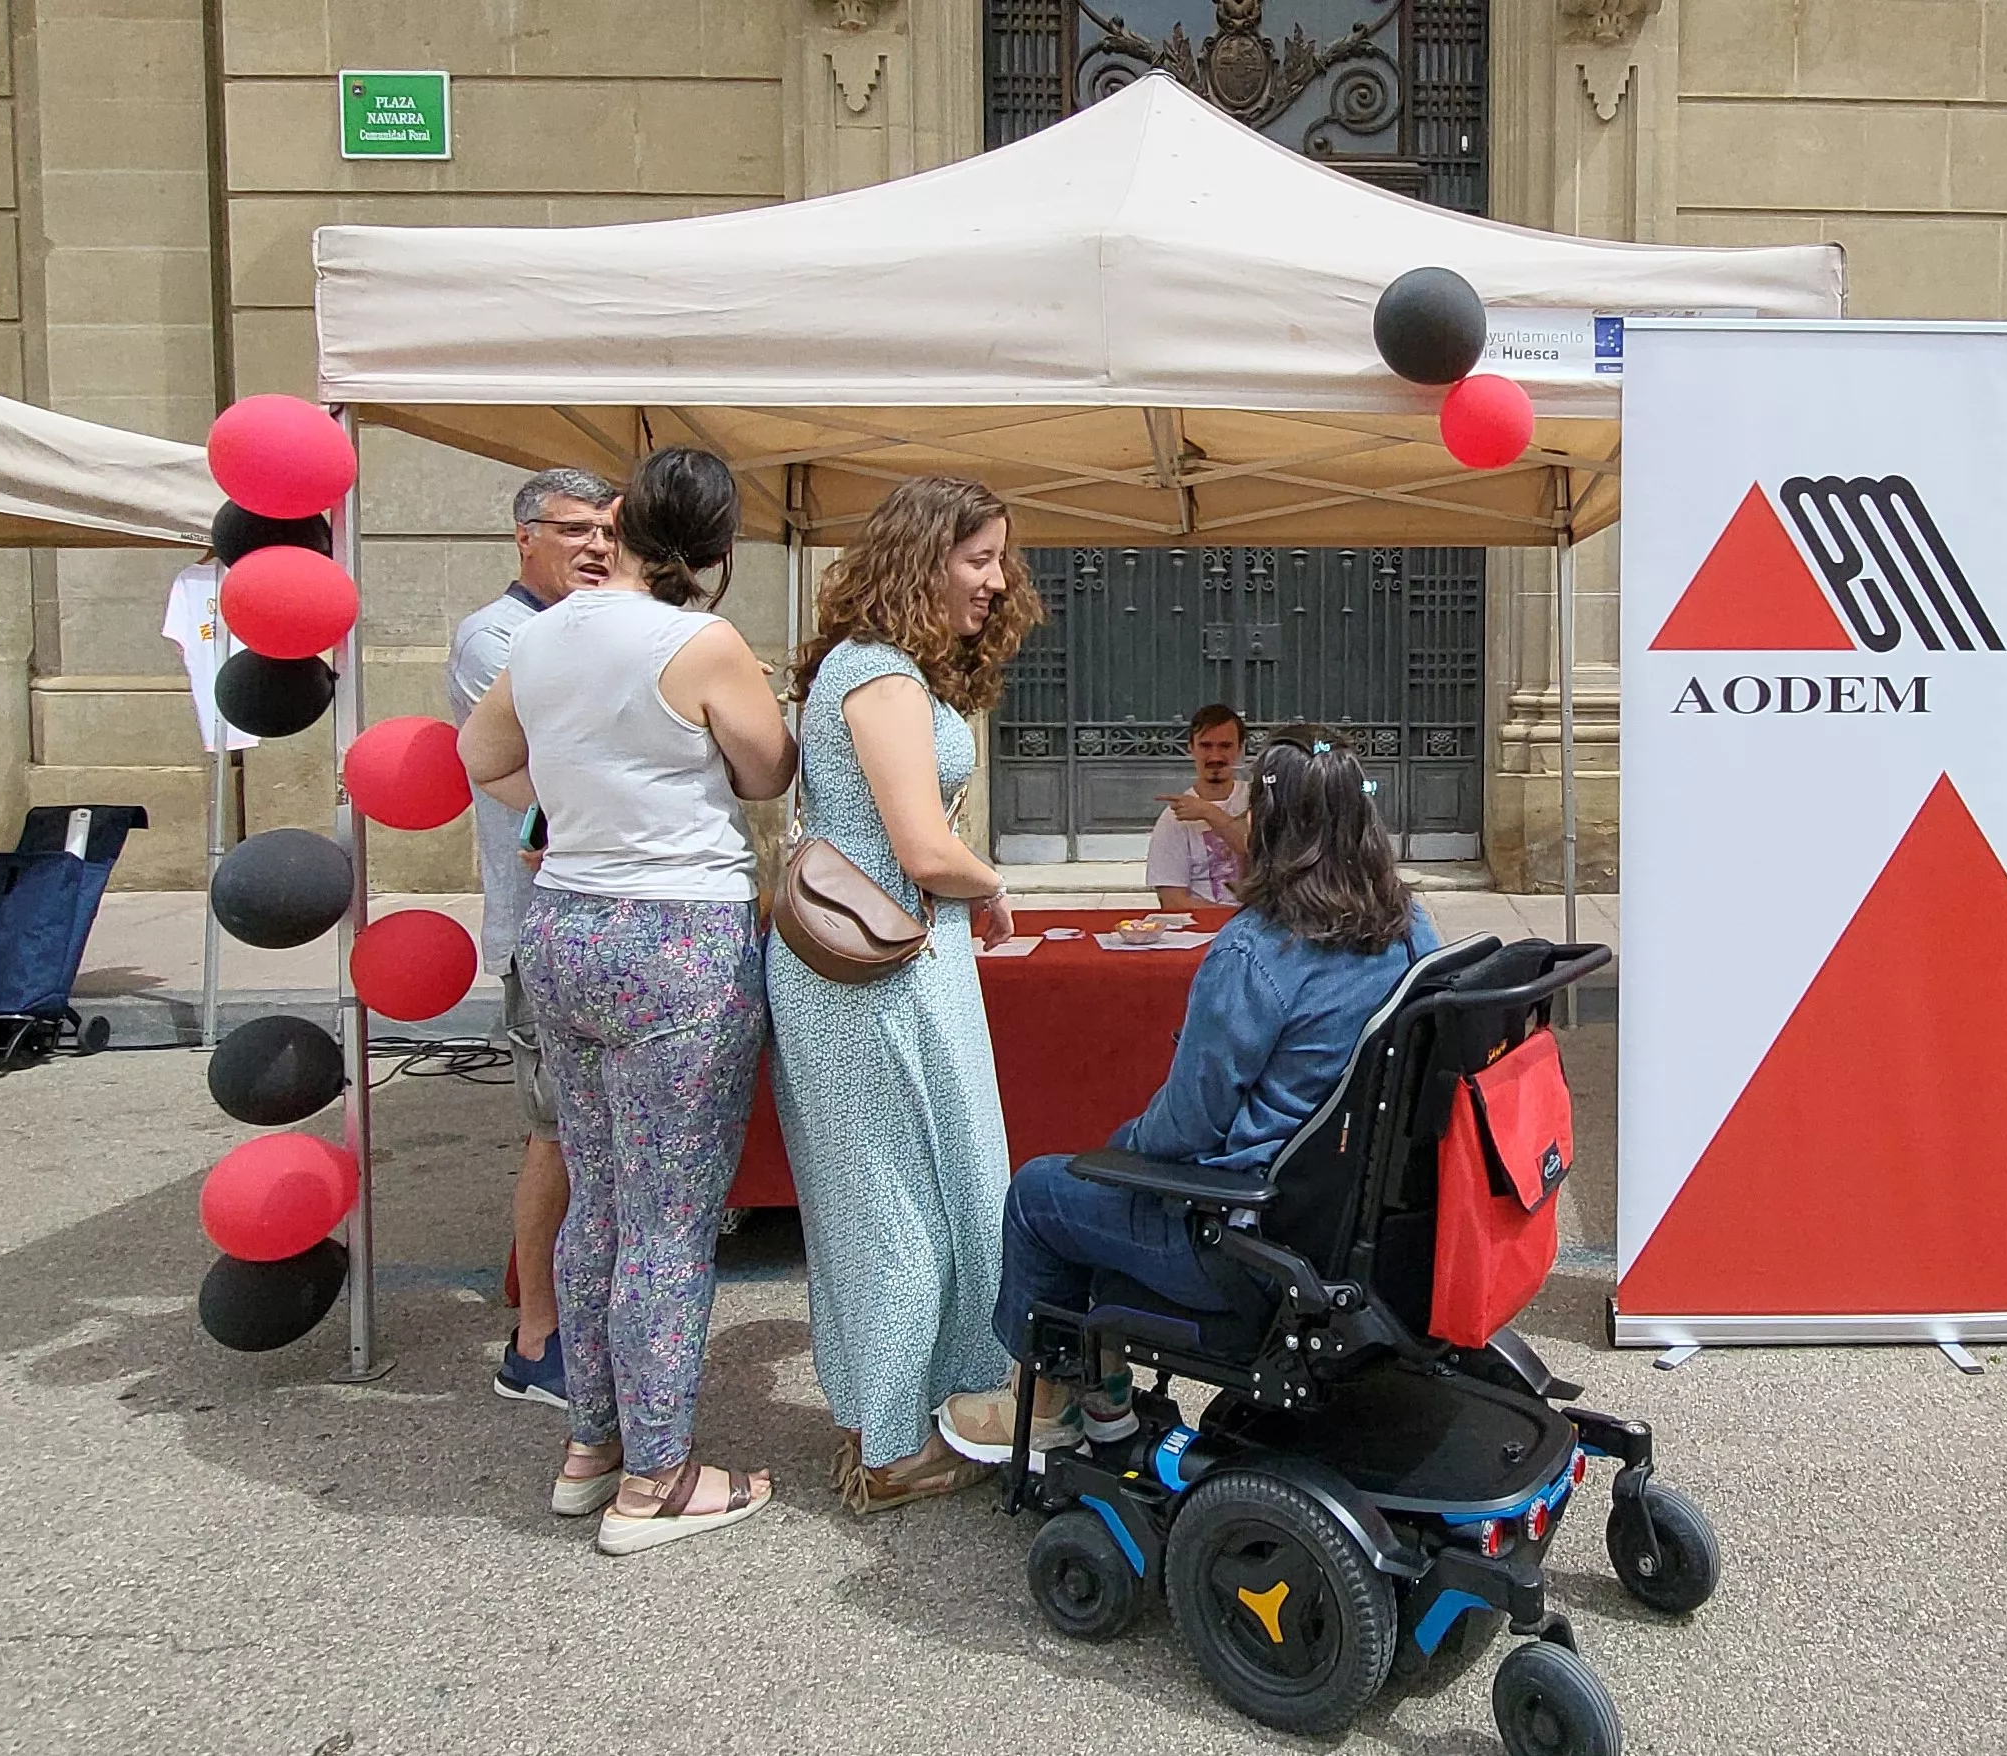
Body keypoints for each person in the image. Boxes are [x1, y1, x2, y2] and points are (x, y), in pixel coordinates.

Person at [456, 446, 797, 1555]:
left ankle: (591, 1444)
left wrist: (566, 799)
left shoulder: (546, 630)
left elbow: (480, 751)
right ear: (715, 545)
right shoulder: (701, 641)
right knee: (668, 1217)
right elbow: (766, 770)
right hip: (676, 931)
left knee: (597, 1198)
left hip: (566, 921)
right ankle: (657, 1478)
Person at [938, 726, 1439, 1460]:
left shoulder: (1257, 950)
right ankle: (1105, 1396)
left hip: (1245, 1243)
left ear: (1269, 826)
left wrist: (1121, 1153)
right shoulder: (1411, 928)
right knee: (1103, 1188)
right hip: (1354, 1225)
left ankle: (1044, 1404)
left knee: (1045, 1193)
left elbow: (1187, 1126)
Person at [771, 474, 1041, 1514]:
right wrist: (994, 883)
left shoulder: (874, 668)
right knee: (899, 1203)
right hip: (880, 976)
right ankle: (891, 1448)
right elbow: (924, 849)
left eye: (998, 558)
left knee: (897, 1194)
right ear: (923, 557)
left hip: (888, 967)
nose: (996, 579)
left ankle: (896, 1420)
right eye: (979, 558)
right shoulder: (879, 674)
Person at [447, 465, 619, 1410]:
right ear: (525, 537)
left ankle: (591, 1321)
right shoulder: (499, 639)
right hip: (544, 925)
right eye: (575, 530)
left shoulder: (596, 628)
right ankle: (536, 1340)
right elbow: (559, 766)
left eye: (607, 532)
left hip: (608, 918)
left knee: (593, 1139)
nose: (596, 547)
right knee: (555, 1136)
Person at [1148, 702, 1250, 909]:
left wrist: (1208, 812)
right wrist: (1233, 920)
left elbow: (1259, 851)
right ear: (1191, 748)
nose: (1215, 756)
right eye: (1206, 746)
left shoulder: (1260, 799)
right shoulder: (1173, 818)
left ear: (1240, 749)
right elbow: (1172, 901)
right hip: (1204, 924)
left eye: (1225, 746)